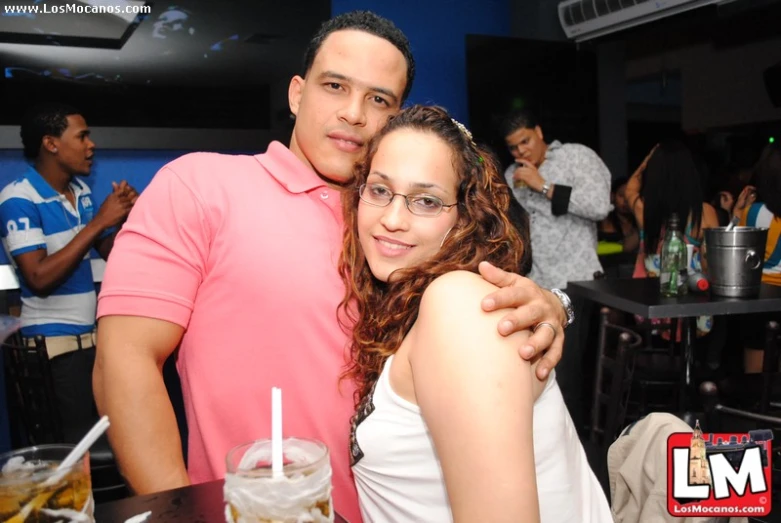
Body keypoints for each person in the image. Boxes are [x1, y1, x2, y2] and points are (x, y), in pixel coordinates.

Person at [93, 11, 573, 521]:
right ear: (297, 93)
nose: (354, 113)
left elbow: (473, 309)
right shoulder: (200, 186)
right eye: (335, 85)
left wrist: (552, 305)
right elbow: (125, 360)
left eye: (379, 99)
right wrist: (180, 514)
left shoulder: (400, 221)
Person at [343, 105, 611, 522]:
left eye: (426, 200)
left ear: (465, 217)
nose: (391, 219)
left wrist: (560, 304)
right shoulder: (413, 301)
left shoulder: (461, 308)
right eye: (379, 190)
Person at [0, 103, 137, 443]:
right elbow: (39, 278)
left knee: (114, 445)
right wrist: (99, 222)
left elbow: (110, 252)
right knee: (77, 455)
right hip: (54, 351)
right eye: (82, 136)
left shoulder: (81, 192)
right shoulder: (18, 198)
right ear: (51, 144)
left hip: (91, 344)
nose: (91, 145)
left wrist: (122, 217)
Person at [500, 108, 611, 431]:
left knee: (573, 377)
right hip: (535, 286)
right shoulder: (512, 174)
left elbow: (599, 206)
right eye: (514, 147)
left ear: (539, 130)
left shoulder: (577, 157)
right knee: (538, 374)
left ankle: (580, 446)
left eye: (525, 141)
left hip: (576, 283)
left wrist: (543, 185)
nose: (521, 151)